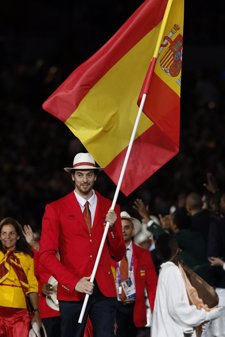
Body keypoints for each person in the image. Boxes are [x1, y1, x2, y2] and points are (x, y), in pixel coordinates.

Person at [39, 152, 126, 337]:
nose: (84, 179)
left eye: (88, 174)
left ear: (95, 176)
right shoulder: (55, 209)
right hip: (72, 291)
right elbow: (46, 255)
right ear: (72, 176)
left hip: (103, 291)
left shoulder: (111, 207)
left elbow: (118, 254)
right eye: (80, 174)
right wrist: (74, 282)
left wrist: (112, 229)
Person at [151, 233, 222, 337]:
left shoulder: (165, 271)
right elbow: (178, 309)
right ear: (176, 250)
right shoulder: (172, 271)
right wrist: (207, 314)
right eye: (177, 247)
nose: (180, 250)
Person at [114, 211, 158, 337]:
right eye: (119, 228)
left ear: (133, 230)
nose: (123, 231)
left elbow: (152, 286)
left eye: (126, 227)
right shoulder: (107, 255)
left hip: (136, 308)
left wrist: (156, 311)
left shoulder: (144, 254)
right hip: (115, 309)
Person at [0, 217, 41, 337]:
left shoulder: (28, 257)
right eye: (4, 233)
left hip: (20, 314)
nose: (7, 237)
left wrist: (36, 313)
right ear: (0, 236)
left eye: (12, 233)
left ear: (18, 236)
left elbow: (32, 287)